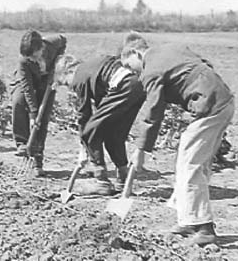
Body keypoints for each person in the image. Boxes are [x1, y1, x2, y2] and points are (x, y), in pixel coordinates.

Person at [120, 32, 234, 246]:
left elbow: (154, 111)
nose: (131, 72)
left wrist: (141, 149)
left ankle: (204, 228)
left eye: (129, 65)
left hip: (211, 107)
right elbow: (204, 65)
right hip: (221, 100)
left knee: (190, 165)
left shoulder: (150, 70)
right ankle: (189, 218)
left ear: (136, 53)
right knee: (189, 160)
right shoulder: (172, 48)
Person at [57, 53, 145, 195]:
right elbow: (102, 105)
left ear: (69, 71)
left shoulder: (79, 76)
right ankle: (123, 180)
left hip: (122, 87)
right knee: (114, 136)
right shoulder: (92, 67)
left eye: (66, 83)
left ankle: (101, 181)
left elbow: (83, 116)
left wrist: (84, 143)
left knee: (89, 130)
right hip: (137, 86)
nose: (70, 87)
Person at [10, 30, 66, 176]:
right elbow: (27, 87)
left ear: (41, 48)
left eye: (34, 55)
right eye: (29, 57)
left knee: (43, 118)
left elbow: (63, 41)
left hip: (47, 81)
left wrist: (57, 63)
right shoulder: (23, 61)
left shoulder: (53, 42)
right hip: (27, 79)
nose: (33, 59)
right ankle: (23, 144)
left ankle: (37, 160)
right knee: (18, 102)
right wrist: (33, 113)